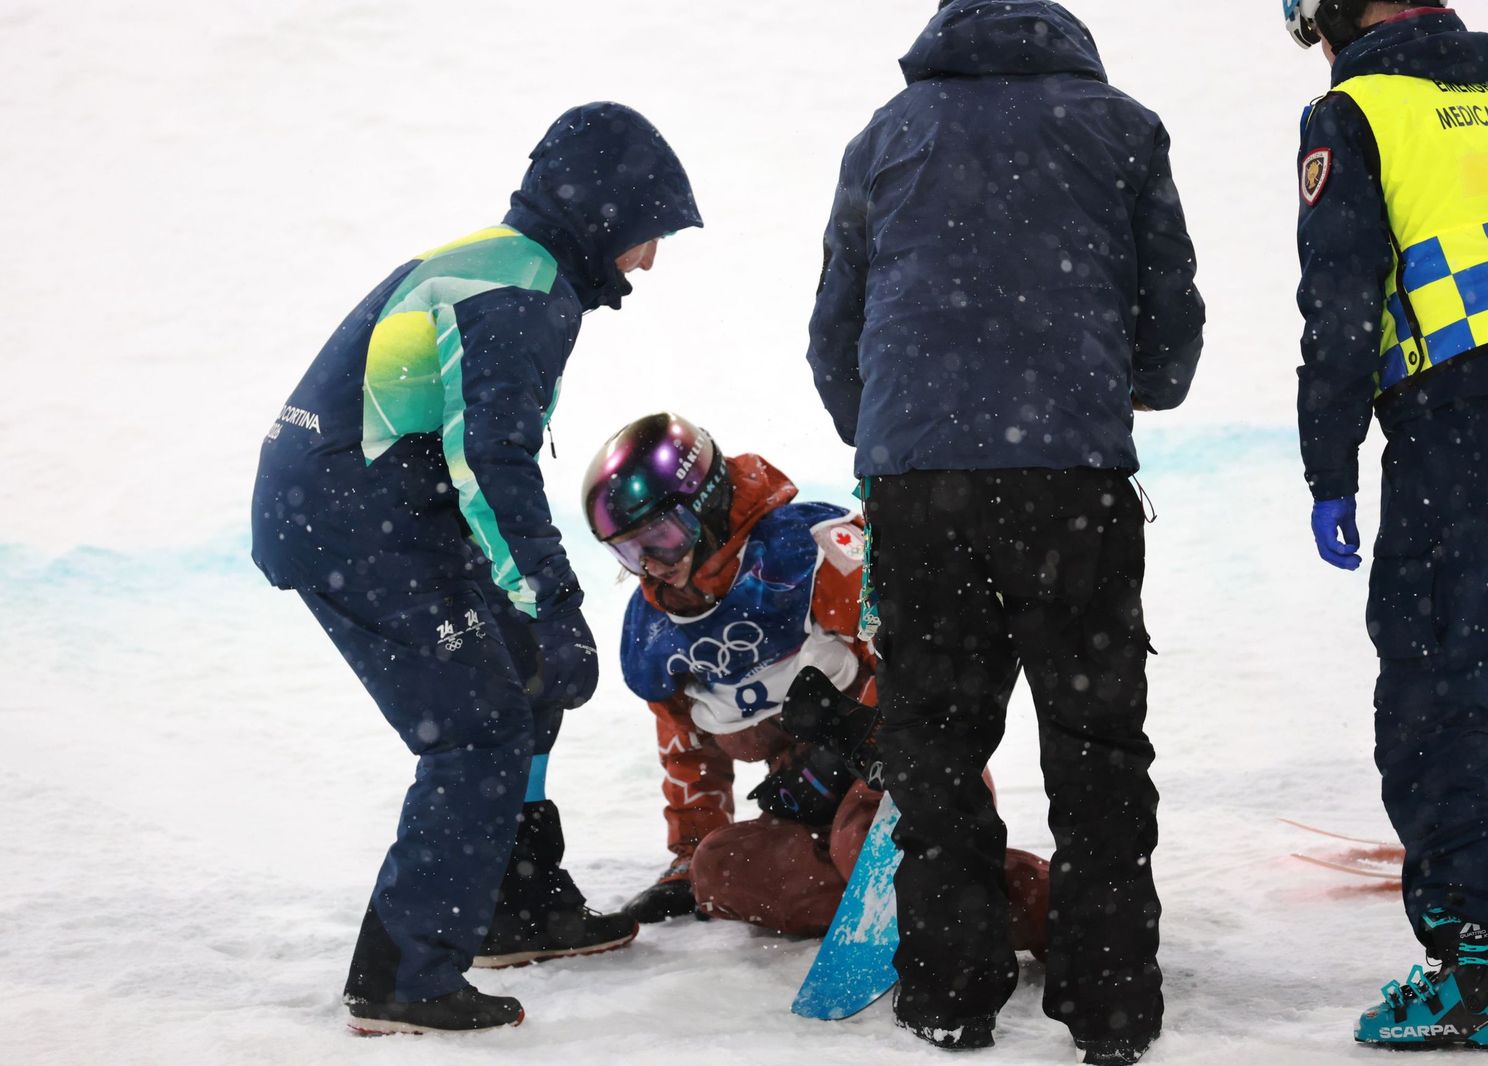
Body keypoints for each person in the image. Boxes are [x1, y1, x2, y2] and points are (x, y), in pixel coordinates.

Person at [804, 1, 1205, 1061]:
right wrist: (1111, 393)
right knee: (1096, 748)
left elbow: (833, 330)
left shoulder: (888, 134)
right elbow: (1173, 323)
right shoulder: (1120, 125)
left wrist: (893, 430)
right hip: (1069, 484)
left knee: (933, 745)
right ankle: (1112, 1003)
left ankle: (948, 990)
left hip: (920, 483)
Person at [248, 102, 701, 1036]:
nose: (649, 261)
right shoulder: (522, 294)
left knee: (521, 683)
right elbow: (492, 461)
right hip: (354, 521)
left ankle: (509, 901)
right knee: (479, 728)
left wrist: (532, 618)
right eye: (648, 232)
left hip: (365, 505)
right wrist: (556, 603)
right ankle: (404, 977)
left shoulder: (508, 264)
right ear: (607, 214)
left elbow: (474, 455)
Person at [581, 412, 1051, 948]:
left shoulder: (812, 551)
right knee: (720, 869)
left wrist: (845, 755)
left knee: (866, 842)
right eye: (630, 551)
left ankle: (1058, 913)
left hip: (905, 774)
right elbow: (687, 746)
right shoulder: (658, 634)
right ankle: (905, 907)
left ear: (706, 502)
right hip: (809, 818)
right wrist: (690, 850)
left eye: (661, 538)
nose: (652, 566)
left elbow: (919, 668)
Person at [1285, 0, 1488, 1050]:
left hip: (1457, 427)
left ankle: (1474, 958)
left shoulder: (1355, 109)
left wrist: (1329, 470)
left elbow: (1342, 305)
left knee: (1444, 685)